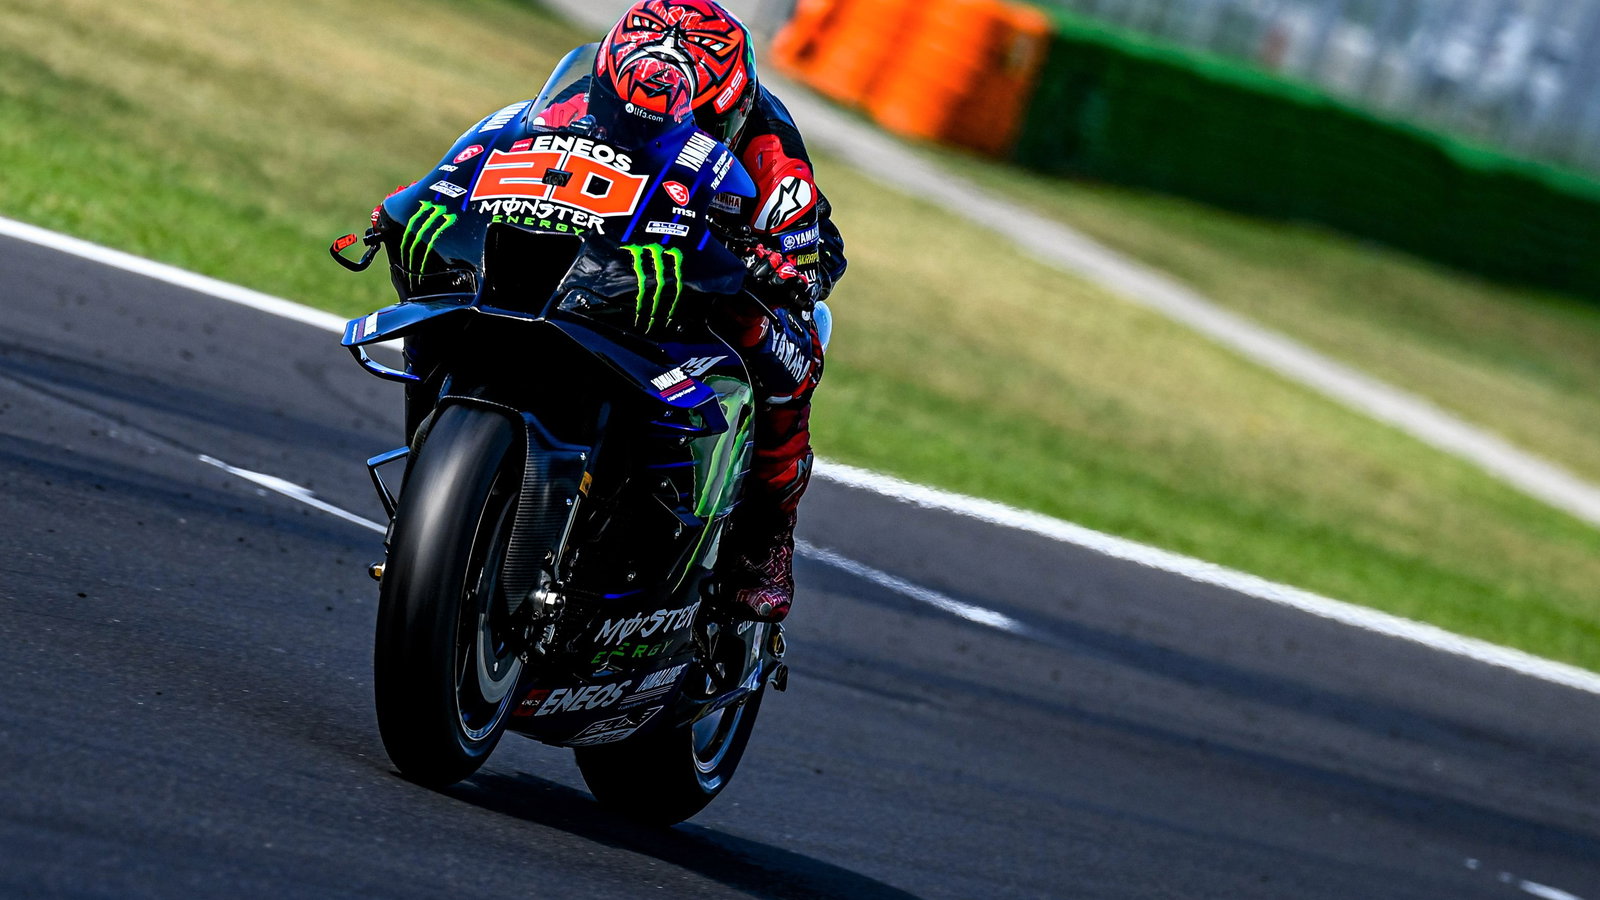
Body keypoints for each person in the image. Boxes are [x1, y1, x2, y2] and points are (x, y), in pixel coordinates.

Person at [394, 0, 844, 622]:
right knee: (438, 269)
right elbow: (487, 157)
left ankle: (766, 539)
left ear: (729, 111)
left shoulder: (768, 146)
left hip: (709, 271)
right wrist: (416, 200)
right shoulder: (574, 101)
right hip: (601, 260)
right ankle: (436, 464)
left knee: (781, 348)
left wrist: (782, 262)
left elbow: (811, 247)